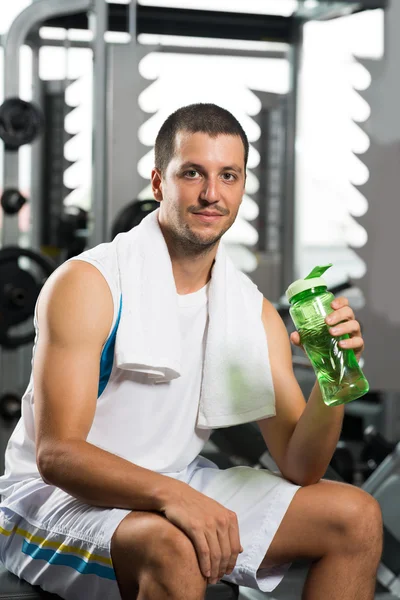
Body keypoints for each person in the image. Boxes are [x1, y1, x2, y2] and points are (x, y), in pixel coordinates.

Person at [0, 103, 382, 600]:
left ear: (243, 186)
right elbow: (57, 455)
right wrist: (174, 497)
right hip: (54, 498)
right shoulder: (88, 284)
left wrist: (336, 379)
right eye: (193, 173)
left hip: (174, 481)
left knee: (355, 517)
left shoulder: (249, 309)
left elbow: (300, 465)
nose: (211, 194)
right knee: (173, 547)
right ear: (159, 182)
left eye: (228, 176)